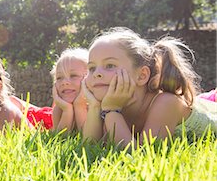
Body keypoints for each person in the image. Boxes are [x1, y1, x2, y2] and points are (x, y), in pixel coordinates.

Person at [82, 27, 216, 147]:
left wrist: (111, 111)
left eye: (110, 65)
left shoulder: (166, 102)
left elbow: (140, 156)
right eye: (92, 68)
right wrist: (94, 106)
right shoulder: (112, 103)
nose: (97, 73)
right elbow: (91, 146)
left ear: (141, 75)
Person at [51, 48, 89, 132]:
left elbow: (89, 140)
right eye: (59, 78)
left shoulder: (95, 106)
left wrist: (80, 106)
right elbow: (59, 139)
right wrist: (67, 110)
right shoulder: (59, 108)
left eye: (73, 76)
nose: (64, 82)